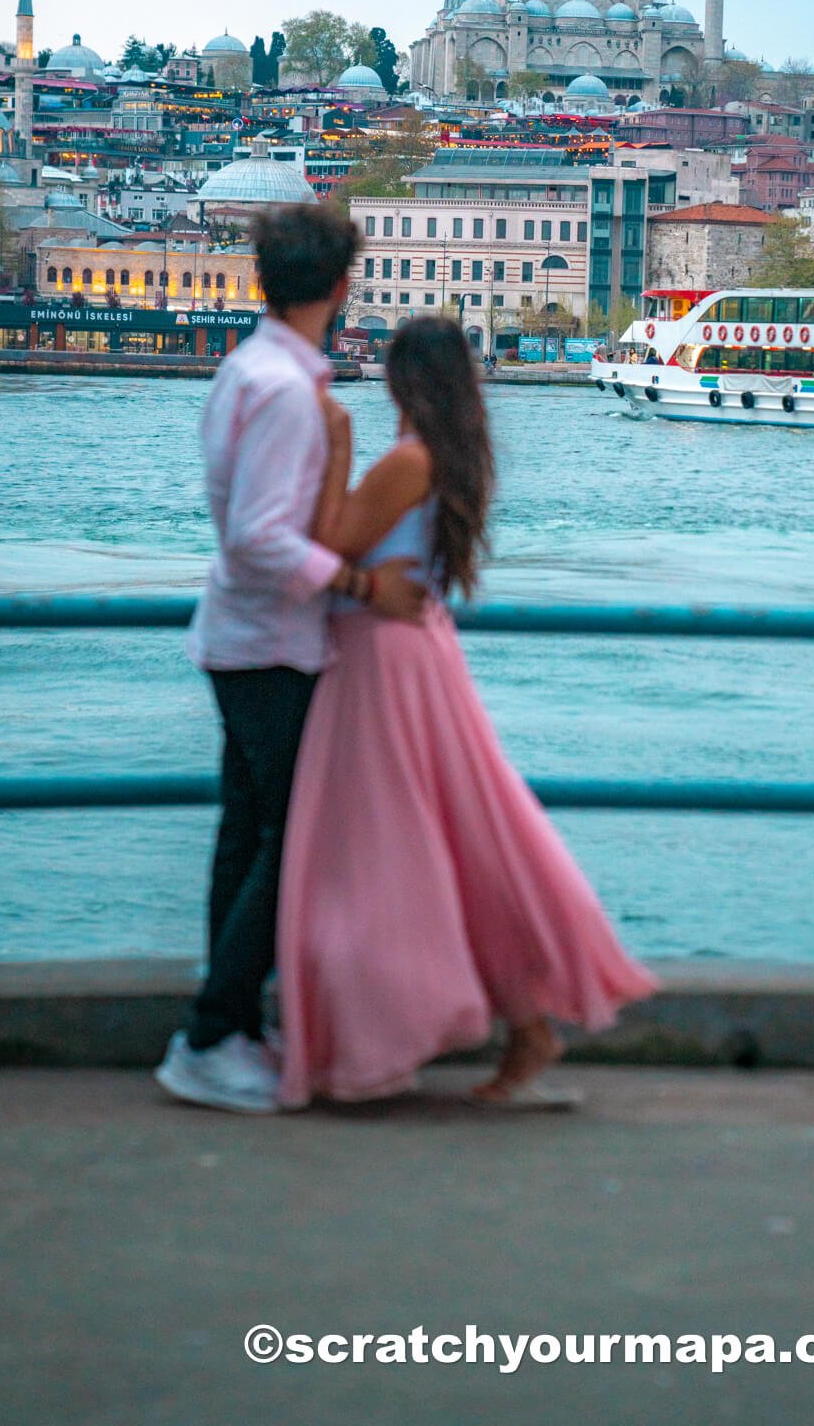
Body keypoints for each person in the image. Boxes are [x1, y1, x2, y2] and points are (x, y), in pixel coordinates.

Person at [277, 316, 656, 1110]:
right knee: (459, 837)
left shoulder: (405, 461)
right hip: (420, 656)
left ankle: (403, 1029)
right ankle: (519, 1026)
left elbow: (332, 543)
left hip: (384, 661)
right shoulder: (448, 462)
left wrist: (337, 439)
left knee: (386, 849)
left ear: (400, 381)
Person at [155, 204, 425, 1116]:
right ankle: (208, 1033)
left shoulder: (250, 369)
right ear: (344, 287)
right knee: (291, 846)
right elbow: (260, 538)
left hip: (241, 640)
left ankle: (226, 1030)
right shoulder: (286, 392)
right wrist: (360, 585)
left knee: (248, 837)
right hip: (272, 646)